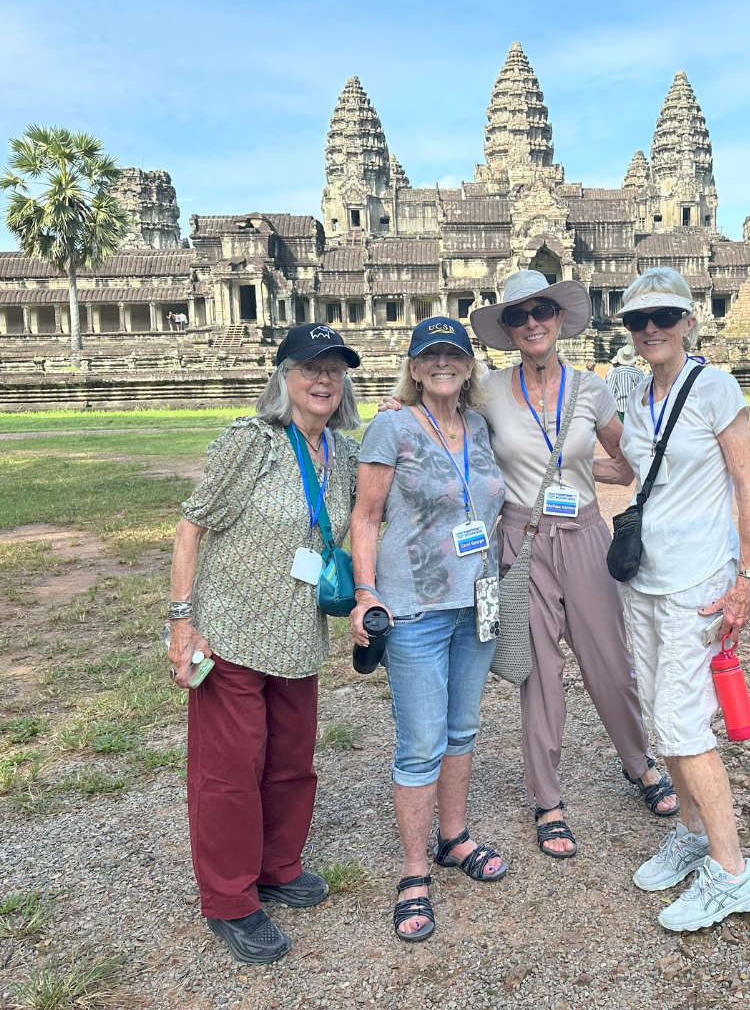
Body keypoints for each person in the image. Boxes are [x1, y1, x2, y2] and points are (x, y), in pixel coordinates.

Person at [165, 323, 363, 965]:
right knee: (229, 772)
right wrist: (180, 622)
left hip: (299, 636)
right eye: (310, 367)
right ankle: (229, 899)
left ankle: (277, 864)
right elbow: (191, 528)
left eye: (335, 369)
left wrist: (407, 412)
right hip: (230, 634)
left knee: (290, 763)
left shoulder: (345, 455)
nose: (324, 379)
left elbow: (368, 517)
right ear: (283, 378)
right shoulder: (251, 443)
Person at [466, 270, 679, 861]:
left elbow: (625, 462)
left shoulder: (592, 389)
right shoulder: (485, 390)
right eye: (518, 315)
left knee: (610, 662)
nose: (531, 322)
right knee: (538, 672)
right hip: (521, 539)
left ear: (559, 319)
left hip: (584, 532)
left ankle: (638, 763)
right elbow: (453, 438)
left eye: (542, 311)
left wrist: (579, 477)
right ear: (507, 330)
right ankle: (548, 799)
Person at [611, 268, 750, 931]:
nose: (651, 330)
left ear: (688, 321)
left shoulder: (714, 386)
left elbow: (747, 484)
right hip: (644, 577)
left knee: (684, 723)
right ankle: (693, 835)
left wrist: (749, 576)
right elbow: (627, 470)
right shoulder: (635, 391)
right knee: (658, 715)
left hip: (699, 581)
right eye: (637, 321)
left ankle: (735, 874)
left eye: (663, 317)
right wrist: (533, 461)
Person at [349, 317, 510, 942]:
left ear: (469, 368)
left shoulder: (478, 426)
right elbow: (365, 518)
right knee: (420, 741)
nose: (443, 364)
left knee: (463, 727)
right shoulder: (391, 425)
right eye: (430, 356)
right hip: (413, 606)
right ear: (414, 369)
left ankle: (453, 836)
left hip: (478, 601)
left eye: (454, 355)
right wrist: (366, 594)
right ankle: (414, 870)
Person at [606, 343, 646, 421]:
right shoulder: (638, 372)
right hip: (634, 408)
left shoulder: (615, 372)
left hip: (619, 407)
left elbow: (611, 391)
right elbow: (642, 392)